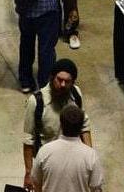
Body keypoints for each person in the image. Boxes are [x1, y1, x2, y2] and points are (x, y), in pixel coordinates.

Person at [23, 59, 92, 189]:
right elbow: (28, 140)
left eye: (67, 81)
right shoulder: (36, 102)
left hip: (73, 162)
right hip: (47, 165)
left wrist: (89, 156)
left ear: (73, 82)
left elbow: (84, 126)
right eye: (59, 79)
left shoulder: (76, 94)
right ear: (52, 77)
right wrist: (28, 172)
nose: (62, 84)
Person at [33, 102, 103, 192]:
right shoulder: (91, 155)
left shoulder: (45, 151)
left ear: (61, 124)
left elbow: (36, 181)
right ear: (81, 126)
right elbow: (96, 187)